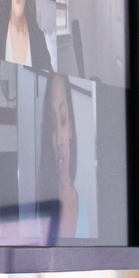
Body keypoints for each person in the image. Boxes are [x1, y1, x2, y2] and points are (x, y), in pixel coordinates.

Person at [37, 73, 87, 240]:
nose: (59, 139)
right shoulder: (41, 202)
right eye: (52, 125)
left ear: (71, 128)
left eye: (63, 120)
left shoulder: (82, 203)